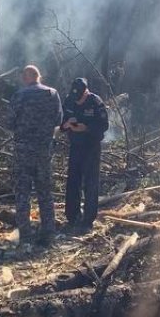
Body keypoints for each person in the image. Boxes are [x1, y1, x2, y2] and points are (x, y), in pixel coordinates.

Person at [7, 65, 63, 243]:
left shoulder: (19, 96)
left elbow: (9, 122)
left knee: (22, 192)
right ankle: (49, 231)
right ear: (39, 76)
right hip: (43, 151)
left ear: (26, 77)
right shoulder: (52, 94)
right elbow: (59, 120)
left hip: (23, 151)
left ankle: (25, 234)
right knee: (45, 191)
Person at [60, 77, 108, 231]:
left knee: (91, 183)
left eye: (80, 97)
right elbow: (61, 123)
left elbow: (104, 125)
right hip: (75, 146)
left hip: (91, 147)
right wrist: (67, 125)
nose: (78, 101)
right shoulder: (69, 100)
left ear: (86, 92)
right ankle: (72, 217)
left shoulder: (96, 102)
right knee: (73, 181)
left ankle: (88, 220)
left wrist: (86, 127)